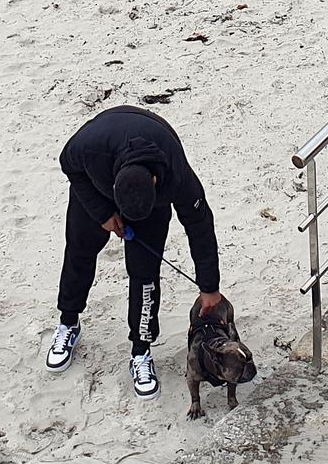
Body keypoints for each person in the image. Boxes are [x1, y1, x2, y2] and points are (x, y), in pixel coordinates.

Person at [47, 105, 222, 399]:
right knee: (80, 249)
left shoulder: (177, 176)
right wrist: (103, 213)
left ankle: (141, 351)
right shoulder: (90, 148)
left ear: (155, 182)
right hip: (96, 186)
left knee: (145, 273)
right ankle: (68, 321)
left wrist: (209, 288)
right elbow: (68, 164)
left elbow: (200, 227)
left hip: (150, 202)